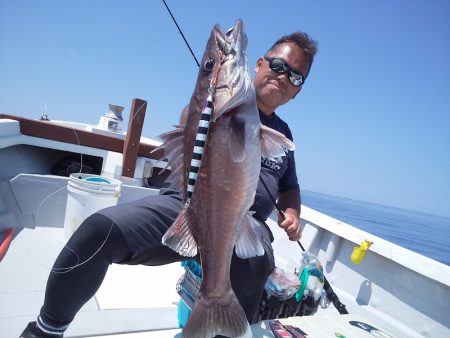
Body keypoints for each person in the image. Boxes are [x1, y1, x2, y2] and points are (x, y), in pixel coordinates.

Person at [20, 31, 318, 338]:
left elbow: (289, 186)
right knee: (99, 230)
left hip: (243, 226)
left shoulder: (284, 135)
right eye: (279, 66)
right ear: (258, 64)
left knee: (257, 271)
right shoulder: (212, 107)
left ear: (297, 92)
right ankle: (45, 330)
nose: (284, 77)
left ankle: (218, 323)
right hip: (186, 207)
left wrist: (292, 213)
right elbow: (190, 121)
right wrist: (207, 106)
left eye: (296, 77)